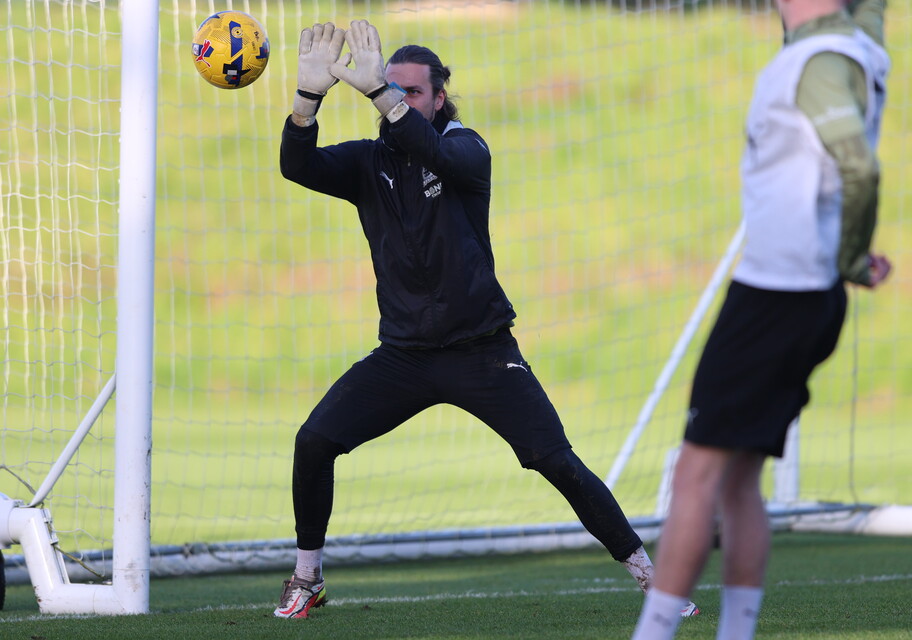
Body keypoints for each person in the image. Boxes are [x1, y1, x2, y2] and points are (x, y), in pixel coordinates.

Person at [272, 20, 699, 619]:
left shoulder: (465, 146)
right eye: (388, 86)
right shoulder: (369, 163)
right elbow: (298, 165)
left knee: (556, 461)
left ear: (439, 98)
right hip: (404, 356)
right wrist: (307, 99)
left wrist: (379, 95)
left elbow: (436, 151)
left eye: (411, 91)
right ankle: (306, 578)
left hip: (481, 351)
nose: (396, 95)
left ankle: (654, 581)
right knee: (314, 441)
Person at [631, 1, 891, 638]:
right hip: (801, 294)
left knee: (696, 472)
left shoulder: (821, 58)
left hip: (778, 295)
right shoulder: (850, 38)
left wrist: (852, 255)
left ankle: (653, 632)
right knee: (739, 479)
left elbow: (858, 163)